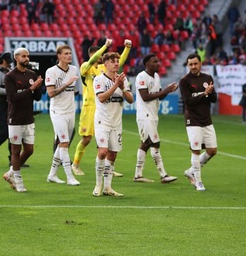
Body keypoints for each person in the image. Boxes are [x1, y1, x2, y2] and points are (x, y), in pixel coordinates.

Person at [72, 39, 130, 176]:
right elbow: (93, 60)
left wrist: (127, 48)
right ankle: (75, 164)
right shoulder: (86, 67)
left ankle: (107, 168)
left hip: (104, 108)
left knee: (106, 142)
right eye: (97, 54)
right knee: (86, 139)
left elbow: (119, 62)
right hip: (89, 107)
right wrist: (105, 46)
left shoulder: (105, 69)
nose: (98, 56)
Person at [92, 52, 134, 197]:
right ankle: (98, 185)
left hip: (116, 122)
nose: (116, 63)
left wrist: (122, 87)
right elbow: (102, 98)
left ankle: (107, 187)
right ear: (106, 64)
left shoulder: (123, 79)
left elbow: (130, 99)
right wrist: (116, 84)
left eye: (117, 61)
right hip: (102, 121)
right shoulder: (99, 79)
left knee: (113, 154)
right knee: (103, 152)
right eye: (113, 61)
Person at [133, 54, 179, 184]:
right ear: (147, 64)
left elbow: (159, 96)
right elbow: (145, 96)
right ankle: (163, 175)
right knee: (155, 143)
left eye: (158, 61)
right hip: (145, 115)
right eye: (154, 61)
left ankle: (138, 175)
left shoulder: (157, 77)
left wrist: (168, 91)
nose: (158, 63)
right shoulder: (141, 76)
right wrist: (165, 90)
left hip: (153, 115)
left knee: (146, 143)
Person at [3, 48, 43, 192]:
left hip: (28, 118)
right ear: (16, 58)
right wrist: (31, 88)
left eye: (28, 56)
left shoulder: (32, 74)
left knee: (29, 150)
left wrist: (38, 87)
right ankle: (18, 180)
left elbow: (37, 97)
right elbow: (12, 98)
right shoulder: (10, 76)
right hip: (15, 118)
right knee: (15, 150)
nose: (27, 58)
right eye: (24, 56)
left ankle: (10, 173)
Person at [180, 53, 218, 191]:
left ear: (200, 63)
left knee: (212, 150)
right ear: (188, 65)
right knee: (196, 150)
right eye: (191, 64)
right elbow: (188, 102)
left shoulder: (207, 78)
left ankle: (190, 171)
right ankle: (198, 181)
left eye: (195, 64)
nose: (193, 67)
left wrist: (210, 92)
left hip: (206, 119)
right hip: (193, 119)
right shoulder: (185, 81)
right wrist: (204, 94)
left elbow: (214, 99)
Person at [45, 45, 81, 186]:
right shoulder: (51, 71)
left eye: (70, 53)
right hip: (58, 112)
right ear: (59, 56)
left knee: (62, 144)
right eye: (65, 53)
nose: (69, 56)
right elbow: (51, 93)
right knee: (64, 143)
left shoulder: (74, 69)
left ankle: (52, 175)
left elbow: (72, 91)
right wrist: (67, 84)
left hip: (71, 111)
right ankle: (69, 177)